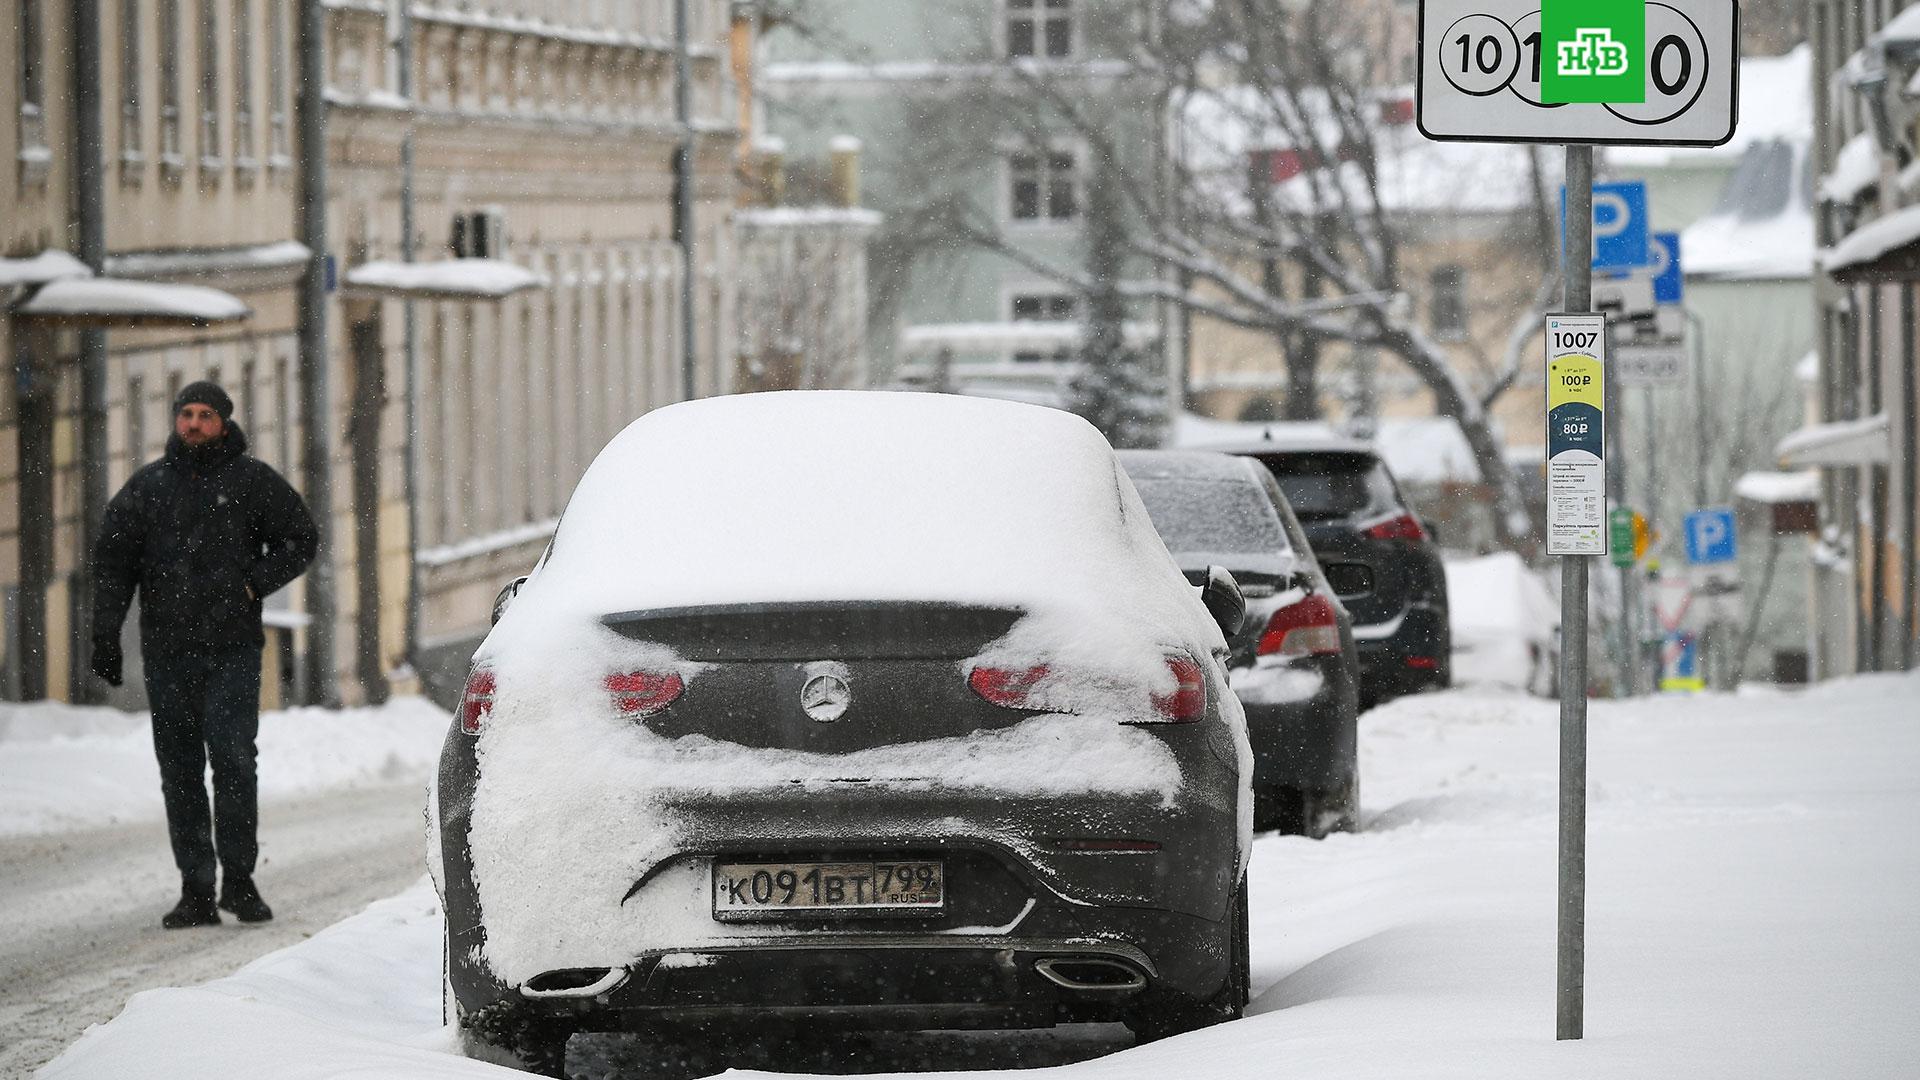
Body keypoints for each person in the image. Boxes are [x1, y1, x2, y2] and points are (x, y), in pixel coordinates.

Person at [90, 380, 318, 929]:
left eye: (205, 415)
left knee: (235, 761)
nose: (192, 424)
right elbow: (114, 564)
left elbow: (301, 539)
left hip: (232, 649)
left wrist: (252, 584)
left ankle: (239, 882)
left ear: (223, 422)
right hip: (166, 652)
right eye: (186, 414)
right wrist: (105, 635)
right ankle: (196, 889)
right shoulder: (148, 488)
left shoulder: (252, 482)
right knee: (180, 769)